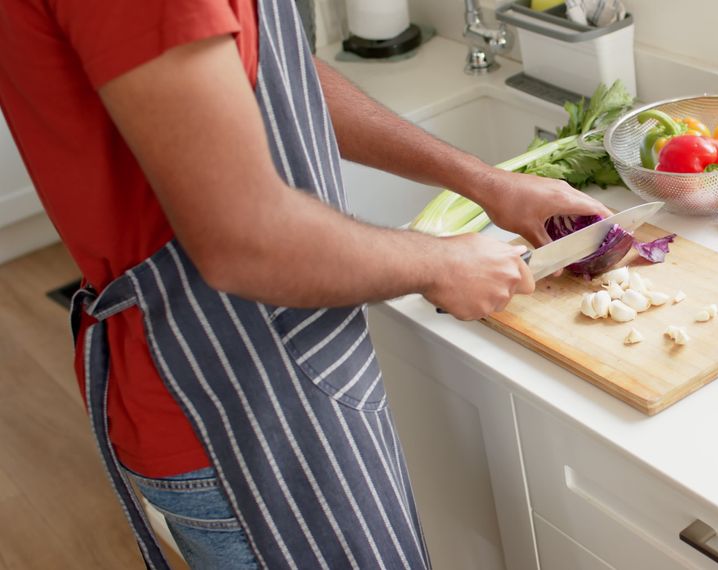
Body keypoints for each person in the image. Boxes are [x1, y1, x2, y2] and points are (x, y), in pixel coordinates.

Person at [0, 0, 609, 567]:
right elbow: (242, 240)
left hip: (295, 371)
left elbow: (273, 73)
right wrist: (440, 264)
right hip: (236, 413)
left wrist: (485, 182)